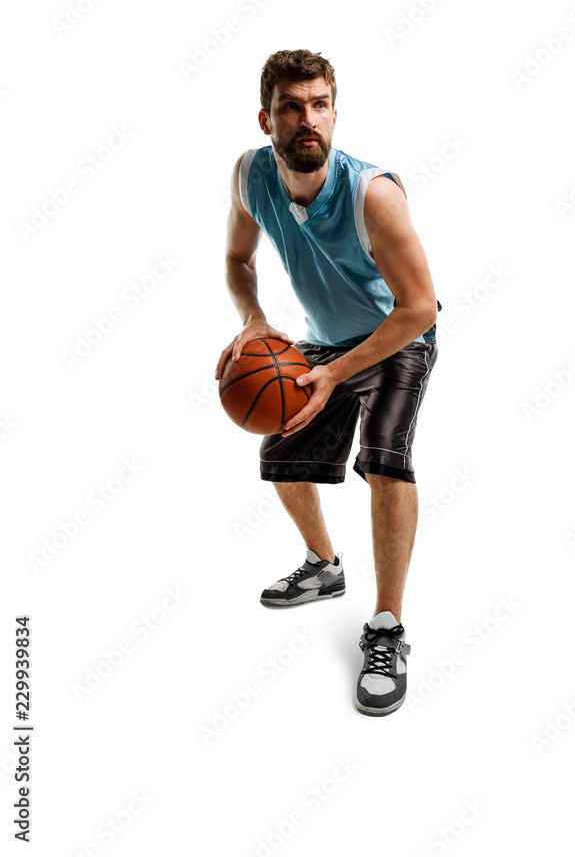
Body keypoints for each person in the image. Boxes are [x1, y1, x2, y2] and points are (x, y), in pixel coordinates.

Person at [215, 49, 440, 716]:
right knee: (280, 451)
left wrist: (336, 372)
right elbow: (237, 258)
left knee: (385, 462)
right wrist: (255, 321)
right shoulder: (251, 175)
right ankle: (324, 566)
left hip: (397, 336)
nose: (307, 119)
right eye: (291, 107)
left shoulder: (373, 194)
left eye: (319, 105)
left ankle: (387, 627)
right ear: (267, 120)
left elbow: (419, 308)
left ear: (335, 114)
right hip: (324, 338)